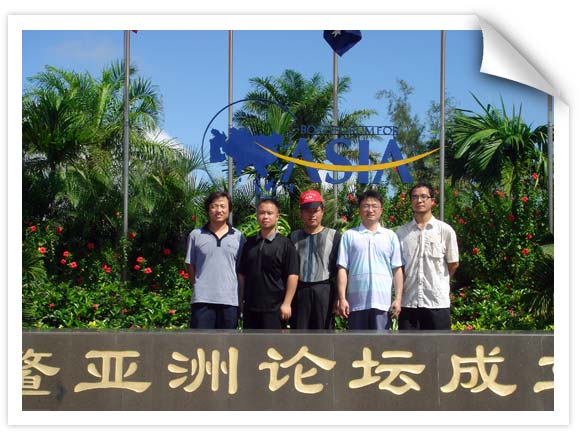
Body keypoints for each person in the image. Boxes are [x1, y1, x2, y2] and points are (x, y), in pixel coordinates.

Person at [336, 189, 404, 330]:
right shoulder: (349, 235)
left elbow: (397, 269)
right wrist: (342, 298)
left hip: (383, 303)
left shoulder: (390, 236)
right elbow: (342, 269)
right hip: (356, 303)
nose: (370, 210)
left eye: (374, 206)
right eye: (366, 206)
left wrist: (398, 299)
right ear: (359, 210)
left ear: (381, 210)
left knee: (380, 342)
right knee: (357, 342)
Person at [396, 183, 460, 330]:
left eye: (424, 196)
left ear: (432, 201)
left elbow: (453, 264)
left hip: (437, 303)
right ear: (410, 201)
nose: (419, 200)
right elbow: (399, 268)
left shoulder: (445, 230)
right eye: (415, 197)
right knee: (407, 344)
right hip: (409, 303)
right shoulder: (402, 233)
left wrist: (438, 282)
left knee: (439, 344)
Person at [185, 191, 244, 329]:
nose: (219, 210)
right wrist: (199, 286)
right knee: (201, 341)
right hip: (202, 300)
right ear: (208, 209)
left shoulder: (238, 236)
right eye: (214, 206)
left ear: (229, 210)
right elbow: (190, 265)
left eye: (223, 206)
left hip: (229, 301)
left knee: (227, 341)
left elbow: (240, 272)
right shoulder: (195, 235)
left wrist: (241, 299)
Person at [237, 198, 299, 329]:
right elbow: (242, 275)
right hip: (251, 308)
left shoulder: (286, 244)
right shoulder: (249, 244)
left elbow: (292, 275)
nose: (265, 217)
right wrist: (240, 300)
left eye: (270, 213)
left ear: (277, 217)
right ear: (257, 216)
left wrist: (287, 303)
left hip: (275, 309)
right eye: (261, 213)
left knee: (273, 342)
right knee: (250, 342)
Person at [289, 190, 341, 330]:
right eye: (307, 211)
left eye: (316, 210)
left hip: (325, 291)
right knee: (299, 332)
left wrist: (338, 297)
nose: (312, 215)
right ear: (301, 213)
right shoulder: (293, 237)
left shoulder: (334, 236)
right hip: (300, 291)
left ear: (322, 211)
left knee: (323, 333)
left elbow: (339, 270)